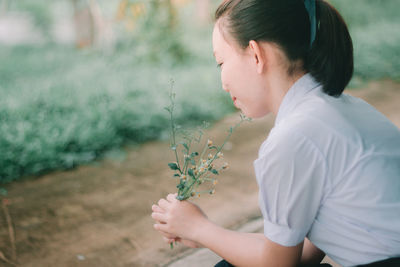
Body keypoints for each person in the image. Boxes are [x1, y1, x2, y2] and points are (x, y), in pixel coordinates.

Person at [151, 0, 400, 266]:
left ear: (256, 55)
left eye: (221, 63)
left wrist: (200, 228)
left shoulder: (294, 138)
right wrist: (199, 232)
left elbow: (278, 264)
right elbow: (302, 252)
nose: (223, 82)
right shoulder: (347, 109)